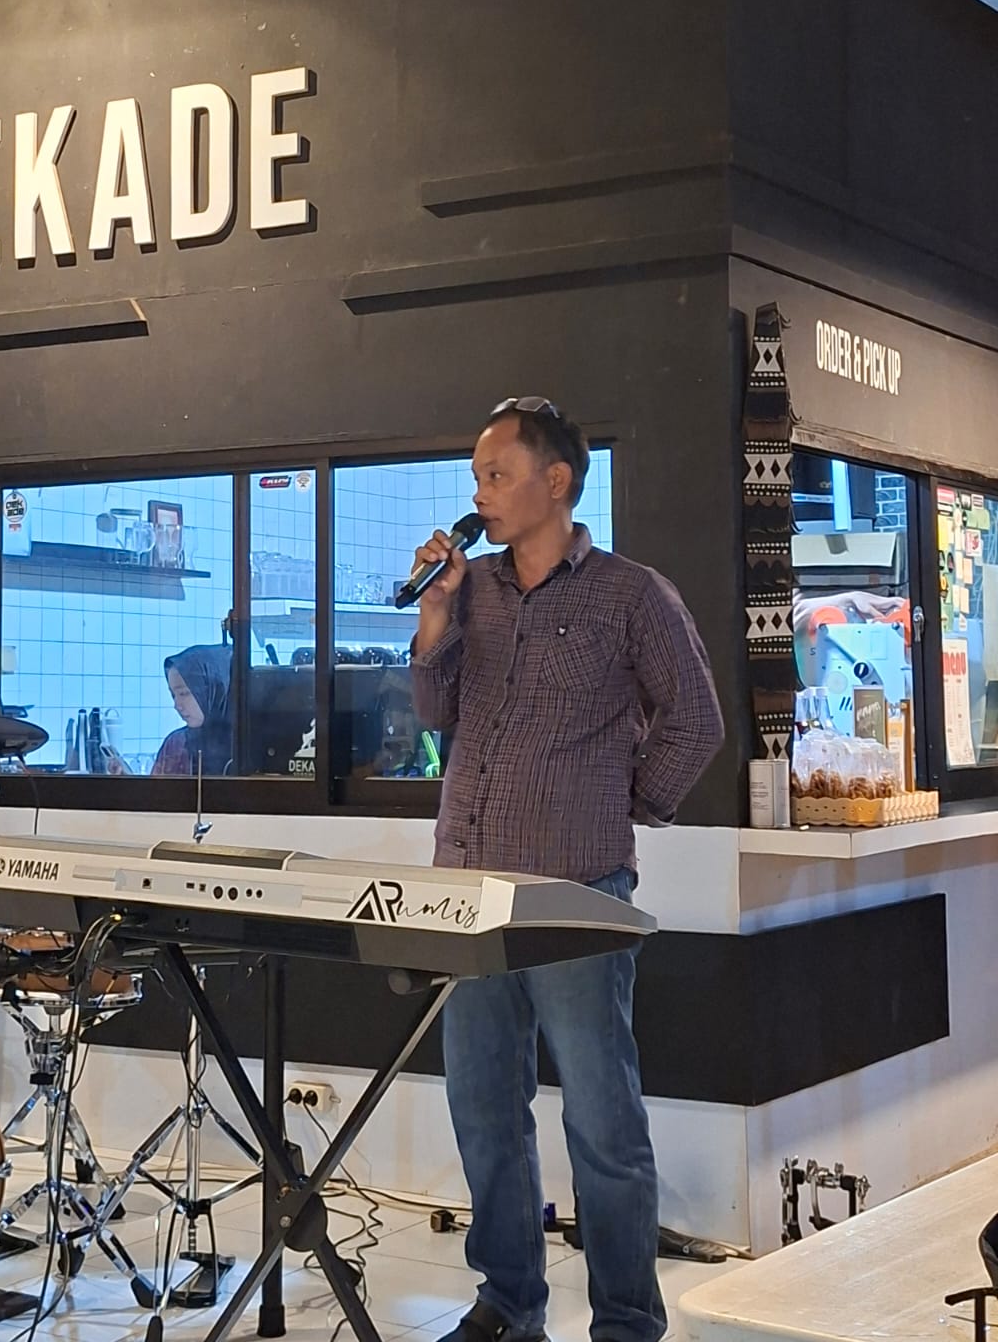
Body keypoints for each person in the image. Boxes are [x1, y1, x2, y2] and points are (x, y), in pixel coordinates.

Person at [410, 397, 724, 1342]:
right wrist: (436, 611)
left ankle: (626, 1320)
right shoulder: (472, 588)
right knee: (483, 1109)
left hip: (577, 893)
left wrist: (622, 803)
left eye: (496, 475)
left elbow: (696, 719)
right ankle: (509, 1304)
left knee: (601, 1118)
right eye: (476, 477)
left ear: (555, 482)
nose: (480, 494)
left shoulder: (632, 595)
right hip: (468, 891)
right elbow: (434, 711)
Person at [150, 644, 234, 777]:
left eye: (183, 693)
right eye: (173, 695)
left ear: (213, 689)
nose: (177, 705)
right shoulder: (175, 745)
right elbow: (153, 789)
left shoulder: (247, 747)